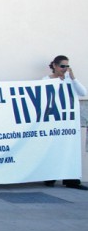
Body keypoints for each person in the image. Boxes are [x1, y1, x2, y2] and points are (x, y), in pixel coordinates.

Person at [43, 55, 87, 191]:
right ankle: (50, 177)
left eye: (67, 66)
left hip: (69, 120)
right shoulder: (46, 80)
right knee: (53, 148)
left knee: (70, 148)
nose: (65, 69)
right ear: (55, 66)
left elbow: (83, 92)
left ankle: (71, 179)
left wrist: (73, 78)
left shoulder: (69, 80)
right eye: (62, 66)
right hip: (54, 118)